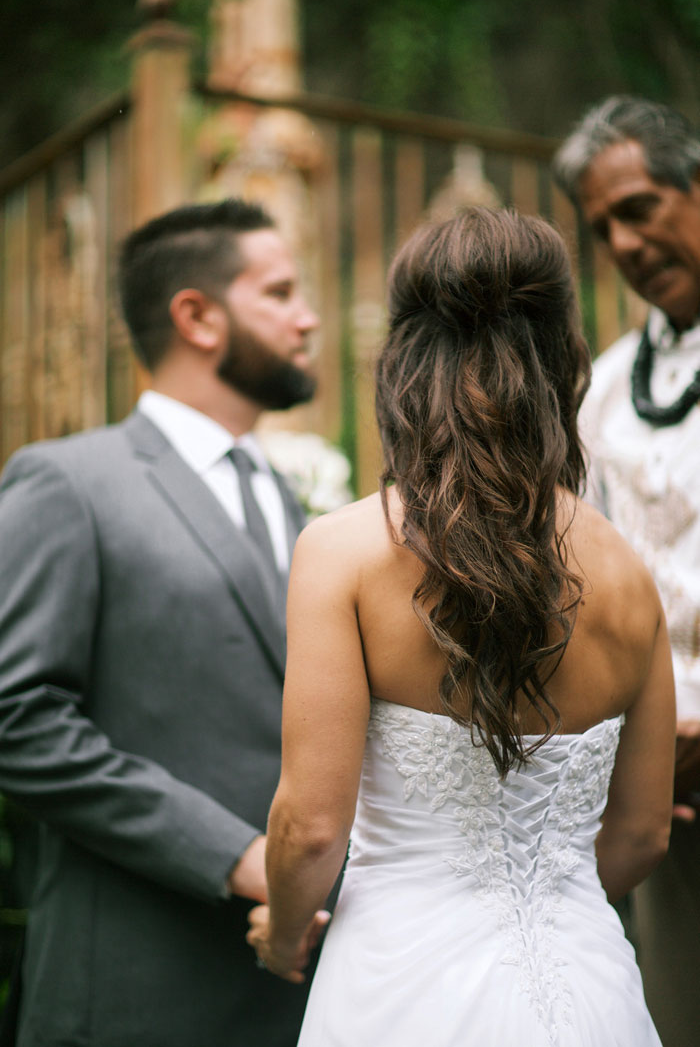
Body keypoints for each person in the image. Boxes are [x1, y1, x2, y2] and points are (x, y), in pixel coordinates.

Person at [245, 207, 675, 1045]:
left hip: (400, 985)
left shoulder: (344, 553)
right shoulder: (628, 573)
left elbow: (311, 827)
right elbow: (641, 833)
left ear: (404, 363)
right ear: (562, 361)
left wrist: (283, 934)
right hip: (591, 989)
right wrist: (541, 908)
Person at [0, 198, 319, 1047]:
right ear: (197, 316)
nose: (309, 317)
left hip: (295, 991)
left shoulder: (289, 500)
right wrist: (236, 856)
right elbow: (16, 720)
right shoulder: (69, 483)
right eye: (281, 292)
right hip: (136, 991)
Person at [553, 95, 700, 1047]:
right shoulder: (603, 390)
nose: (625, 240)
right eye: (603, 226)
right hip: (665, 784)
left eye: (640, 205)